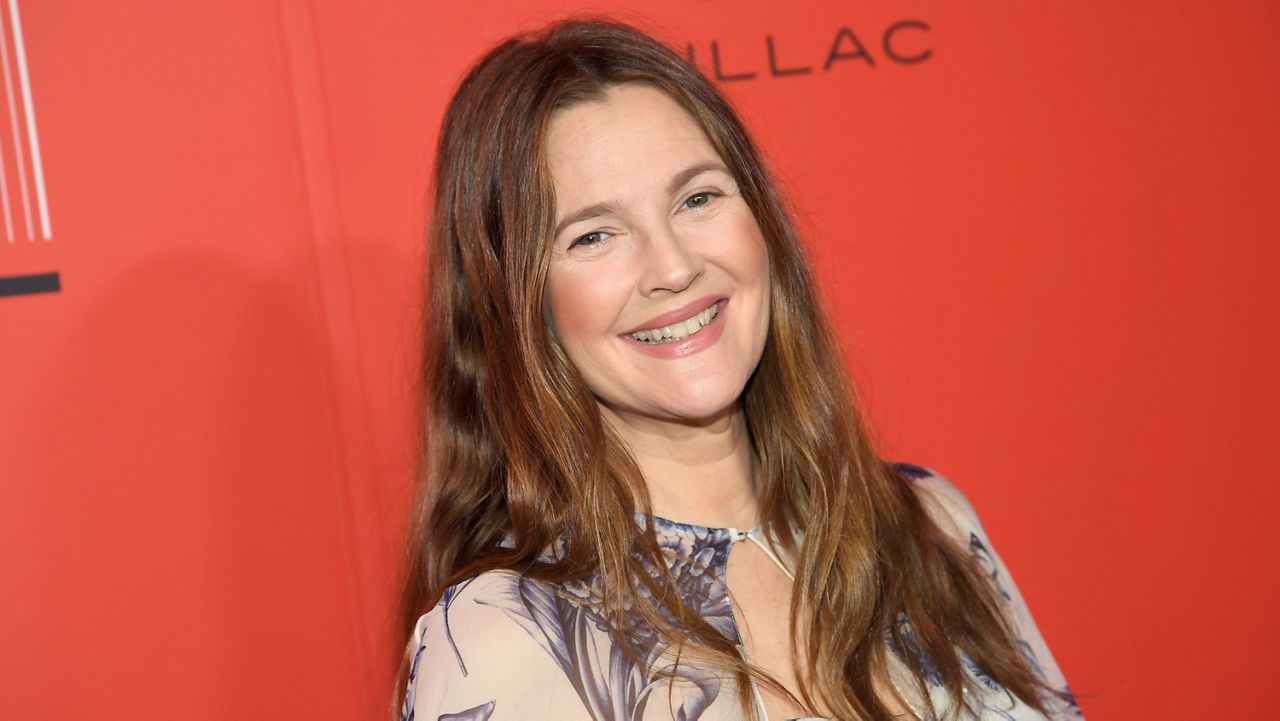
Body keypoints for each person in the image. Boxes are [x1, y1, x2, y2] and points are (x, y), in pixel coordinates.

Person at [394, 17, 1082, 721]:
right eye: (594, 235)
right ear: (515, 305)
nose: (674, 267)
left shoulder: (931, 525)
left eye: (697, 197)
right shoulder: (510, 639)